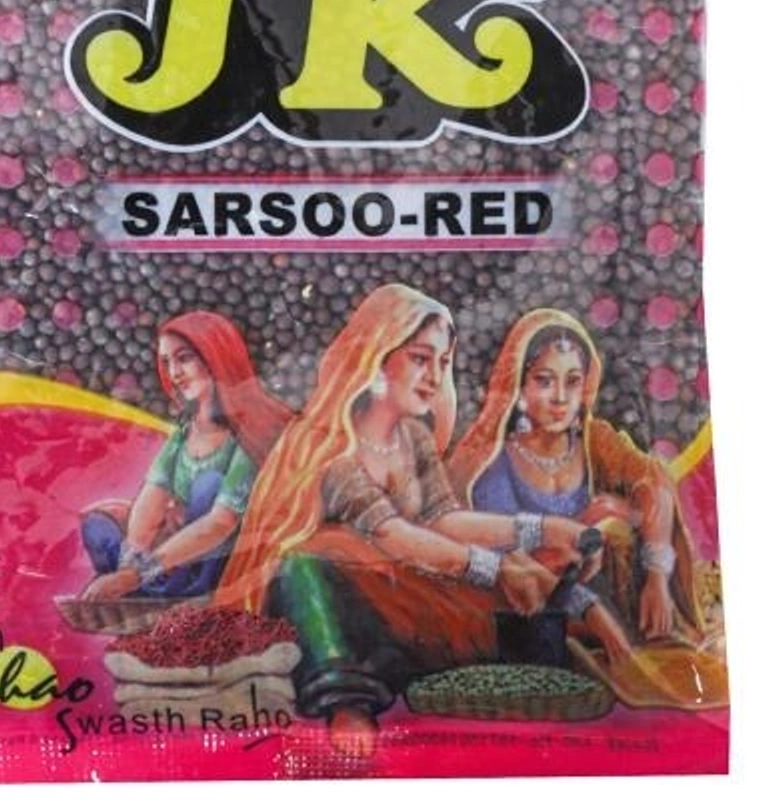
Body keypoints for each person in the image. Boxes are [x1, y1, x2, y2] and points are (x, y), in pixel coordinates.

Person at [214, 284, 585, 758]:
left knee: (524, 584)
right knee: (311, 556)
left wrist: (543, 530)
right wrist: (494, 568)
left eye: (443, 362)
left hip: (403, 590)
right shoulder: (333, 445)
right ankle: (346, 702)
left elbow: (444, 519)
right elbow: (393, 534)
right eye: (419, 359)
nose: (434, 377)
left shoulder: (414, 436)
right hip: (336, 608)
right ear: (377, 357)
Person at [447, 309, 712, 704]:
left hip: (609, 600)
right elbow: (515, 565)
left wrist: (656, 575)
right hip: (536, 613)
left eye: (572, 382)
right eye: (544, 381)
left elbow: (653, 483)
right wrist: (592, 525)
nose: (560, 398)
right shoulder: (494, 465)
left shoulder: (593, 440)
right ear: (518, 387)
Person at [81, 310, 292, 602]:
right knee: (98, 525)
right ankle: (142, 593)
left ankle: (163, 592)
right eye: (167, 362)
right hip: (166, 565)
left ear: (216, 356)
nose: (174, 373)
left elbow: (220, 523)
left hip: (217, 568)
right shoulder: (184, 432)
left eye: (184, 358)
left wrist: (137, 575)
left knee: (209, 484)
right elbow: (152, 497)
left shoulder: (250, 431)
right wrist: (130, 566)